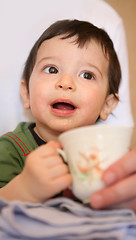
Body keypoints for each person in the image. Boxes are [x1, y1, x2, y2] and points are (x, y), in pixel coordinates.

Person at [0, 19, 120, 203]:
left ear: (107, 105)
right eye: (51, 69)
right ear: (26, 93)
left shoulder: (110, 154)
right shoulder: (10, 149)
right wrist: (25, 189)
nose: (65, 83)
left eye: (87, 75)